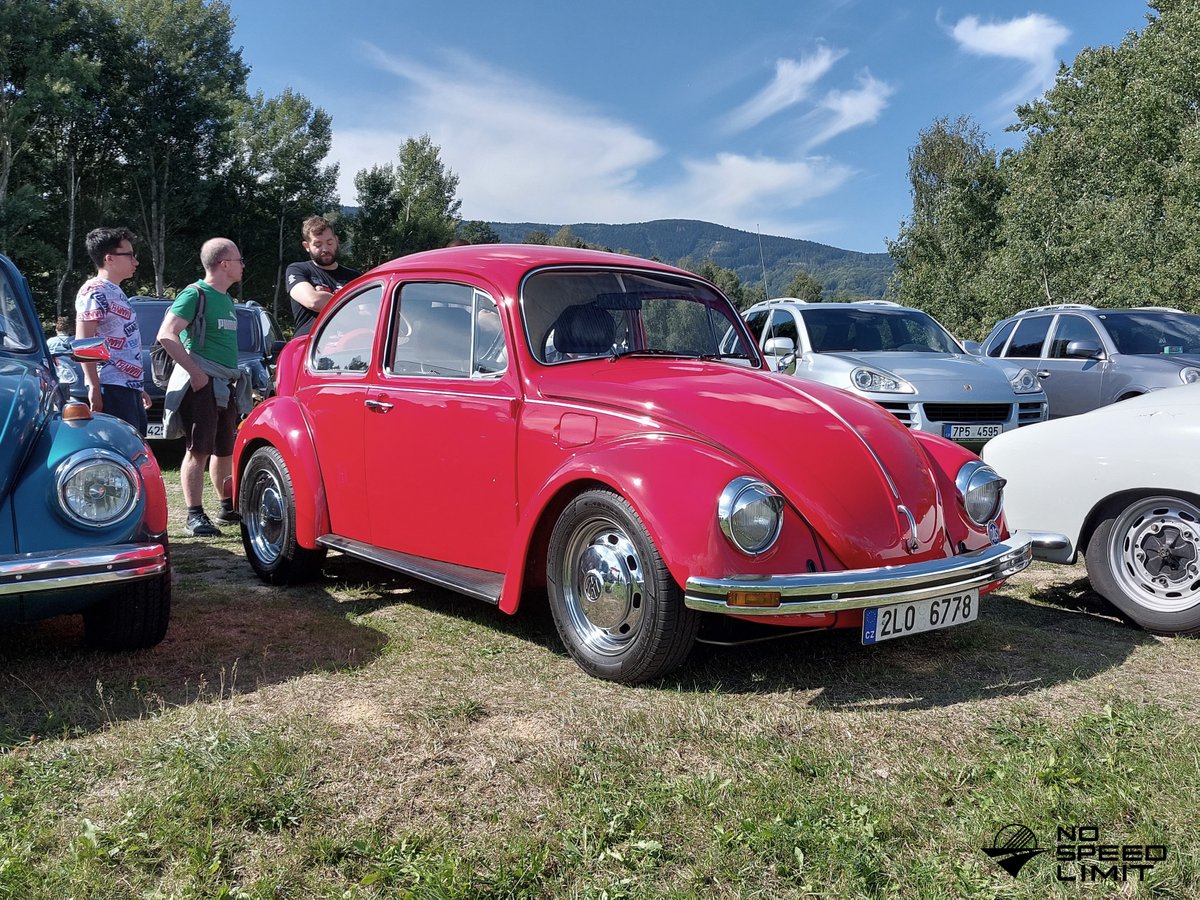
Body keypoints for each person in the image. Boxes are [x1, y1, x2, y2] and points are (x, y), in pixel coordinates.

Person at [157, 238, 245, 537]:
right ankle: (194, 515)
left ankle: (225, 507)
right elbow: (167, 335)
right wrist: (195, 373)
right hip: (203, 383)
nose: (243, 265)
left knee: (223, 449)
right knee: (198, 449)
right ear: (224, 264)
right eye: (239, 259)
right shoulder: (194, 294)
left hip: (224, 383)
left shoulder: (227, 299)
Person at [74, 227, 152, 434]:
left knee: (136, 447)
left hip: (127, 387)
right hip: (110, 386)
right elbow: (84, 342)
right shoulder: (94, 290)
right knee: (122, 448)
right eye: (129, 255)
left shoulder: (114, 290)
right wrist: (94, 387)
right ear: (109, 258)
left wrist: (137, 387)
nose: (135, 262)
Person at [285, 215, 361, 337]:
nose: (325, 248)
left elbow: (369, 313)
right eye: (318, 244)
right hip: (310, 348)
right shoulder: (298, 270)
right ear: (307, 246)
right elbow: (314, 301)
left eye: (329, 242)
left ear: (337, 241)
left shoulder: (354, 277)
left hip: (349, 348)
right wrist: (351, 304)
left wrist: (325, 296)